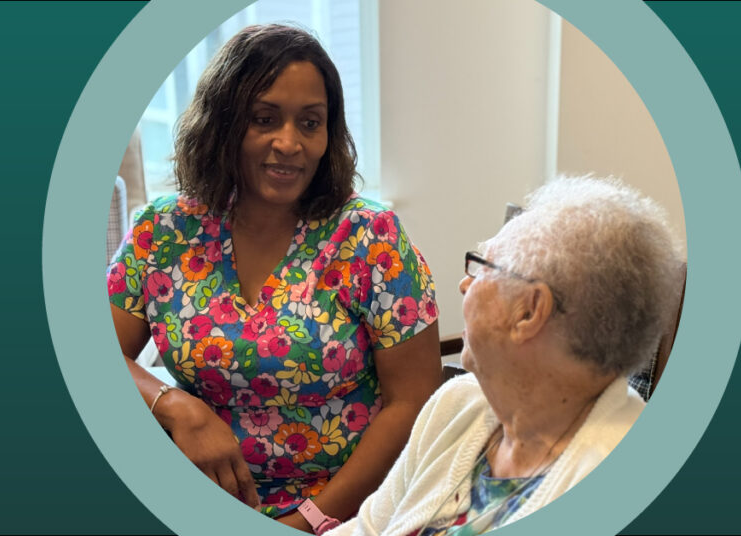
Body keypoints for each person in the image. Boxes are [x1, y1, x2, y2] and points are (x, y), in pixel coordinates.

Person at [107, 24, 443, 533]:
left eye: (310, 123)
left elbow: (413, 401)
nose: (289, 143)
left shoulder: (369, 237)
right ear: (223, 124)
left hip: (348, 510)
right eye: (264, 119)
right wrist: (177, 407)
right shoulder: (164, 230)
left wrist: (307, 521)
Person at [328, 177, 684, 536]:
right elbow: (369, 527)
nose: (464, 284)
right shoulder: (459, 402)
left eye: (483, 267)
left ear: (529, 312)